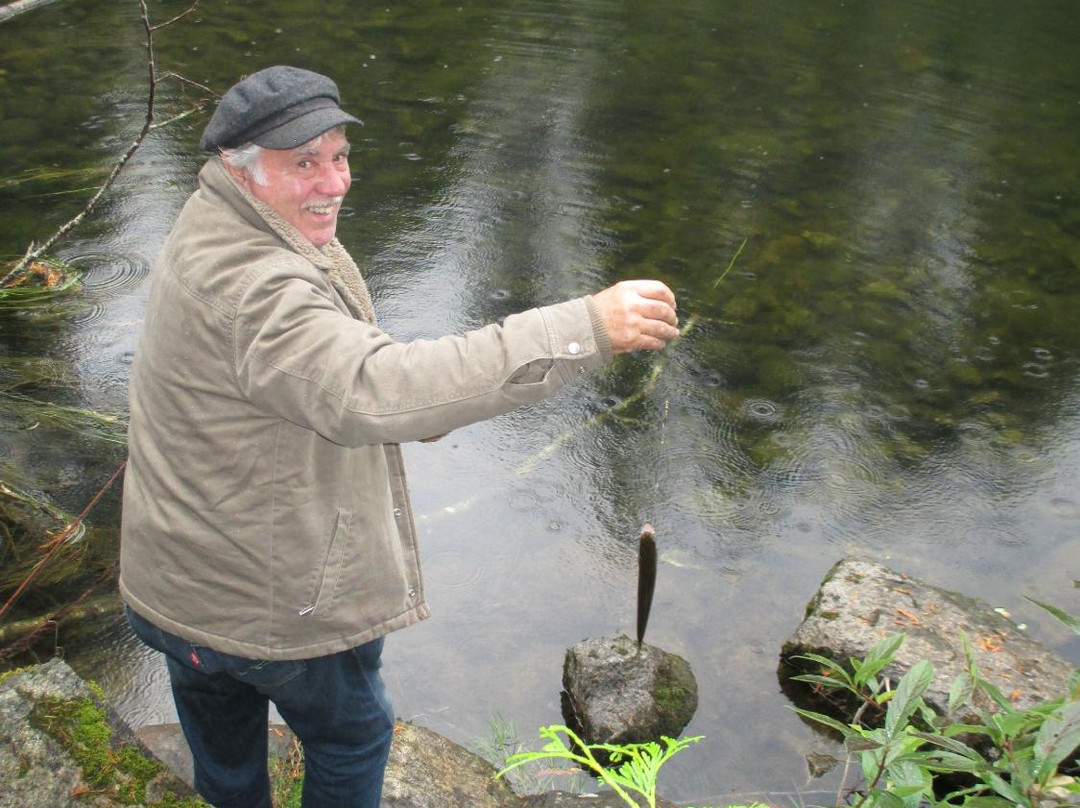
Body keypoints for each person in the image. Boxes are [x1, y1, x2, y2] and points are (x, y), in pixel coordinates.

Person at [119, 65, 679, 808]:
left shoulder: (211, 221)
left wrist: (422, 405)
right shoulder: (256, 286)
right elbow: (373, 387)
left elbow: (331, 378)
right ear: (240, 170)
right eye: (303, 164)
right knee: (352, 735)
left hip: (177, 587)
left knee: (223, 752)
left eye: (339, 155)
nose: (333, 182)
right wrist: (585, 329)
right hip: (269, 609)